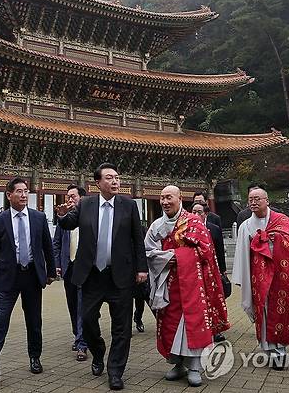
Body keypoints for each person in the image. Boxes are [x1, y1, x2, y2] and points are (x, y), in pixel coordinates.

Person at [57, 163, 148, 391]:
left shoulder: (128, 206)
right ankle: (98, 352)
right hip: (91, 275)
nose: (115, 181)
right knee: (87, 321)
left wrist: (141, 268)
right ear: (98, 183)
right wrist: (61, 214)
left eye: (117, 177)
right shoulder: (86, 204)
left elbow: (138, 239)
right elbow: (68, 223)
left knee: (122, 328)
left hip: (120, 276)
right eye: (109, 178)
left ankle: (115, 371)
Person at [145, 186, 229, 387]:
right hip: (168, 282)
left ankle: (194, 367)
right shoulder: (157, 225)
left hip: (193, 283)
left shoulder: (193, 222)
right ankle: (177, 364)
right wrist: (167, 258)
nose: (165, 202)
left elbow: (206, 251)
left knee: (192, 323)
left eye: (169, 197)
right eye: (162, 198)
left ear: (180, 198)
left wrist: (177, 256)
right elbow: (149, 250)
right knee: (170, 324)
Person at [231, 188, 289, 370]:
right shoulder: (245, 226)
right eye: (250, 199)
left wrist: (276, 241)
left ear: (267, 200)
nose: (253, 202)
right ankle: (272, 351)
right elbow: (242, 254)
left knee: (284, 310)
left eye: (257, 199)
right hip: (259, 278)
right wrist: (244, 278)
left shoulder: (283, 221)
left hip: (283, 277)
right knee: (264, 313)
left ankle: (280, 350)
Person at [0, 178, 56, 383]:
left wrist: (50, 271)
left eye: (26, 192)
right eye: (19, 191)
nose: (24, 195)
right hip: (7, 277)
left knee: (34, 321)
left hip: (32, 276)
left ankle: (35, 357)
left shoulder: (39, 217)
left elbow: (47, 247)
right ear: (9, 195)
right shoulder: (0, 220)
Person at [52, 184, 88, 361]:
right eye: (67, 196)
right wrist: (57, 264)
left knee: (82, 305)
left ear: (81, 198)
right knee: (72, 304)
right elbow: (56, 243)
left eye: (73, 196)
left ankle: (82, 343)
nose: (69, 199)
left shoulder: (88, 216)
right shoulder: (63, 218)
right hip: (69, 267)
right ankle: (77, 334)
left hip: (85, 267)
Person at [192, 203, 227, 342]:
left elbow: (219, 250)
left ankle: (215, 329)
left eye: (199, 212)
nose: (196, 215)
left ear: (206, 214)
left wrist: (222, 270)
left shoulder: (214, 229)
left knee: (213, 300)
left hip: (212, 270)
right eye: (193, 211)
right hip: (194, 271)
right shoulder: (186, 227)